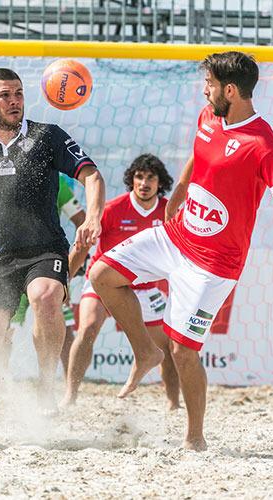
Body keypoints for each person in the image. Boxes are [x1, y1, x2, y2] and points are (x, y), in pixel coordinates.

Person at [90, 51, 273, 451]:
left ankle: (195, 438)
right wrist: (181, 189)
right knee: (101, 274)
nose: (203, 90)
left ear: (231, 90)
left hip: (215, 265)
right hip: (177, 235)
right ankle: (144, 352)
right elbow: (197, 150)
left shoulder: (264, 145)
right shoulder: (209, 116)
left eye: (209, 84)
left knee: (184, 352)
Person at [0, 68, 105, 442]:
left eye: (19, 94)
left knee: (45, 297)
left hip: (44, 248)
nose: (14, 101)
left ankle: (45, 382)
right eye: (5, 95)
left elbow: (92, 175)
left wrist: (92, 217)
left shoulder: (47, 136)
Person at [62, 154, 178, 408]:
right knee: (88, 328)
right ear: (131, 180)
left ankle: (173, 403)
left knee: (166, 346)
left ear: (161, 183)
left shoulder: (169, 211)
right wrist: (65, 281)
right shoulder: (113, 209)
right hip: (103, 280)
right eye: (139, 177)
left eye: (150, 177)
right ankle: (70, 395)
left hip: (145, 288)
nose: (144, 183)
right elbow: (82, 248)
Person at [10, 174, 87, 376]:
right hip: (10, 265)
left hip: (47, 263)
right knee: (3, 329)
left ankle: (68, 389)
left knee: (60, 325)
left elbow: (82, 221)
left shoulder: (58, 181)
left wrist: (74, 261)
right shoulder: (4, 171)